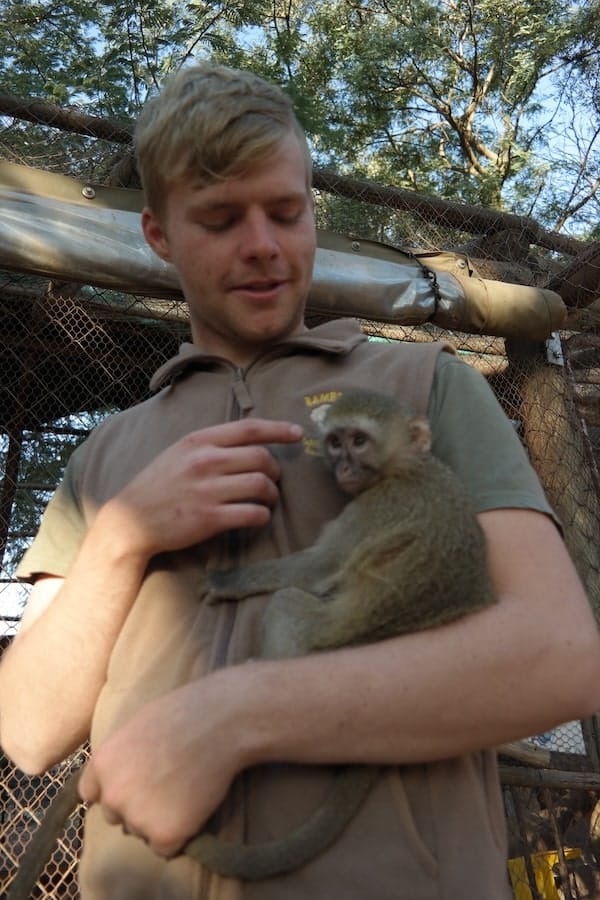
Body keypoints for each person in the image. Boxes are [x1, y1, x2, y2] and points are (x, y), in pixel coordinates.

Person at [1, 62, 599, 900]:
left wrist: (236, 716)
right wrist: (123, 536)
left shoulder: (423, 388)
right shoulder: (107, 454)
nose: (263, 245)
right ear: (159, 235)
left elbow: (562, 657)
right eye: (219, 219)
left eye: (286, 212)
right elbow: (27, 731)